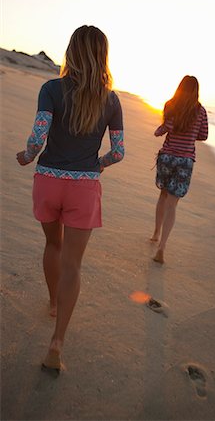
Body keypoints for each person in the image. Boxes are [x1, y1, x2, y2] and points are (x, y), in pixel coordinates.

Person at [16, 25, 124, 373]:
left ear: (71, 52)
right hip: (84, 187)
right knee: (73, 265)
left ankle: (51, 301)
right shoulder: (110, 99)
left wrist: (28, 155)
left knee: (53, 246)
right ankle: (57, 342)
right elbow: (119, 152)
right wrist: (98, 166)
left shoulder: (51, 89)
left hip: (48, 181)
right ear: (102, 55)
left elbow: (39, 135)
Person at [151, 75, 208, 264]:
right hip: (185, 161)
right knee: (172, 204)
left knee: (163, 195)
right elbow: (204, 135)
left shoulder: (170, 105)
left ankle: (155, 233)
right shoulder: (200, 111)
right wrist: (190, 135)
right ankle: (162, 246)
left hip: (167, 157)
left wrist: (159, 131)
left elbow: (165, 128)